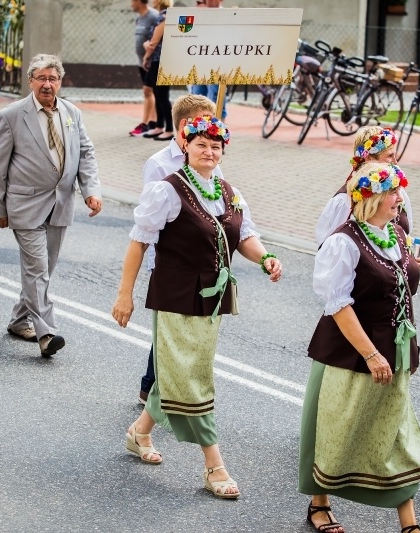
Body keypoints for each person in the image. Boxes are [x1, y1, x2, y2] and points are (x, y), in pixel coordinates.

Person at [112, 115, 283, 499]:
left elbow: (245, 236)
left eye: (216, 146)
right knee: (193, 379)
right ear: (185, 146)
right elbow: (139, 241)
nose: (209, 151)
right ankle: (214, 465)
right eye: (201, 144)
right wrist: (126, 294)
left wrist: (266, 258)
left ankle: (139, 432)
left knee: (182, 372)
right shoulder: (167, 190)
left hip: (212, 300)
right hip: (175, 297)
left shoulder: (229, 191)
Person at [300, 162, 420, 533]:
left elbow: (398, 290)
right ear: (371, 198)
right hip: (352, 354)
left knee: (395, 431)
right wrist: (371, 354)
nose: (400, 199)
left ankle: (408, 521)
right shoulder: (343, 242)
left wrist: (413, 268)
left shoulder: (394, 235)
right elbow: (339, 305)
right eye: (393, 193)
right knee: (336, 428)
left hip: (396, 351)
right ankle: (320, 504)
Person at [0, 53, 102, 356]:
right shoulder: (12, 115)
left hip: (61, 203)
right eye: (42, 78)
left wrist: (91, 190)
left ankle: (18, 320)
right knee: (37, 270)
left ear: (60, 82)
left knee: (43, 269)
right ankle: (47, 333)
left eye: (53, 79)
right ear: (30, 81)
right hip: (25, 205)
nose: (47, 84)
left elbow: (85, 153)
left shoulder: (71, 113)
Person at [136, 93, 221, 404]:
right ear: (186, 125)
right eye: (206, 122)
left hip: (200, 258)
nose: (212, 129)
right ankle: (154, 388)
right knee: (169, 330)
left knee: (184, 331)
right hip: (169, 257)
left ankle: (162, 390)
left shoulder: (208, 155)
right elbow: (150, 217)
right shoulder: (159, 164)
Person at [314, 126, 410, 247]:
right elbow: (328, 246)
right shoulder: (345, 201)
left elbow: (407, 231)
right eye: (389, 156)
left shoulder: (398, 193)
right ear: (369, 159)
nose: (395, 162)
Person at [140, 0, 174, 141]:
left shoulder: (164, 17)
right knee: (157, 93)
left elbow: (154, 42)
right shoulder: (162, 16)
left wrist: (146, 57)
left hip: (161, 61)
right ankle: (160, 126)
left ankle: (170, 129)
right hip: (158, 61)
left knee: (162, 95)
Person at [189, 0, 227, 120]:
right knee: (197, 98)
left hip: (217, 64)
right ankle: (199, 132)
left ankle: (218, 132)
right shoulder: (199, 14)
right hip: (199, 62)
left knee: (215, 98)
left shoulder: (227, 16)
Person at [128, 0, 157, 137]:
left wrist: (148, 56)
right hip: (142, 62)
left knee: (147, 91)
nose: (131, 4)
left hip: (151, 62)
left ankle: (145, 124)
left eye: (133, 1)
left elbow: (157, 39)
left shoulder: (154, 16)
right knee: (150, 92)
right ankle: (153, 122)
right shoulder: (139, 18)